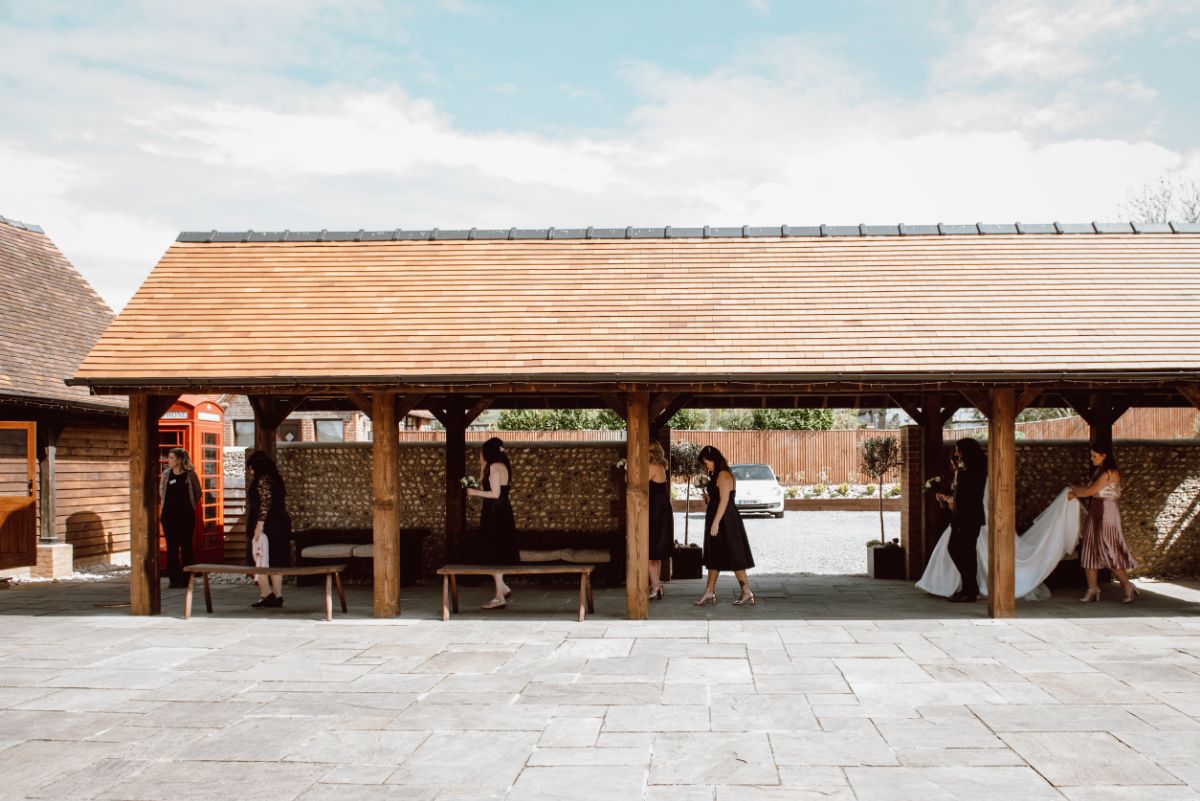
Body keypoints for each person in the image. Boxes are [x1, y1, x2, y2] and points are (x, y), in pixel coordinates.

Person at [1069, 441, 1138, 603]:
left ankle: (1127, 585)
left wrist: (1075, 491)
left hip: (1107, 513)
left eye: (1094, 455)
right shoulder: (1100, 471)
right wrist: (1074, 489)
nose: (1091, 458)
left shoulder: (1110, 473)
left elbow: (1090, 491)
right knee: (1090, 548)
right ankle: (1093, 589)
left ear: (1104, 456)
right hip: (1096, 511)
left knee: (1108, 549)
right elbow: (1088, 490)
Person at [694, 445, 756, 607]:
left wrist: (715, 523)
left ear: (713, 459)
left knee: (734, 554)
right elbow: (717, 498)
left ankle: (746, 591)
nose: (704, 465)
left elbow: (725, 501)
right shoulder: (715, 474)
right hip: (719, 517)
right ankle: (709, 591)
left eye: (705, 462)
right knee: (715, 555)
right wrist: (707, 497)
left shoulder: (723, 475)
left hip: (725, 521)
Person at [466, 437, 518, 610]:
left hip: (496, 512)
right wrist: (482, 467)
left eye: (482, 452)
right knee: (494, 549)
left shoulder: (495, 467)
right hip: (501, 511)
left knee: (493, 550)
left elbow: (495, 494)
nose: (480, 455)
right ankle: (502, 588)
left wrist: (474, 492)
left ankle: (499, 597)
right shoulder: (501, 466)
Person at [936, 438, 986, 603]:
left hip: (969, 517)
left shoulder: (974, 471)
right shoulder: (965, 470)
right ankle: (970, 587)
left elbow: (970, 495)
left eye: (958, 450)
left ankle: (970, 590)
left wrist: (951, 500)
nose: (956, 453)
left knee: (965, 552)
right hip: (962, 516)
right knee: (959, 550)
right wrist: (950, 500)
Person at [246, 450, 292, 608]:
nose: (250, 471)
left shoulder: (262, 480)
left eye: (251, 468)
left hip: (268, 524)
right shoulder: (276, 478)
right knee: (276, 559)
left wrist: (259, 525)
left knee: (259, 557)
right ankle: (278, 596)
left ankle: (266, 594)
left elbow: (265, 504)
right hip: (281, 523)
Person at [159, 447, 202, 589]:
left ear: (179, 460)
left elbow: (198, 493)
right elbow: (162, 491)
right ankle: (174, 579)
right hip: (169, 516)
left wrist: (189, 507)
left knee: (186, 547)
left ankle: (186, 579)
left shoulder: (190, 475)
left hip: (185, 517)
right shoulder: (166, 474)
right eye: (169, 457)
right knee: (172, 548)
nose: (168, 460)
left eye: (171, 458)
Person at [647, 441, 674, 600]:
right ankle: (656, 585)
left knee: (651, 552)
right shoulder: (660, 466)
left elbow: (637, 482)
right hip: (660, 509)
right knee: (655, 552)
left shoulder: (653, 467)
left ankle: (656, 586)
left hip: (656, 511)